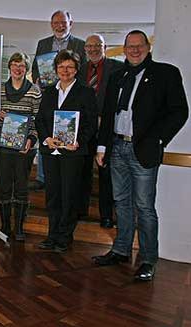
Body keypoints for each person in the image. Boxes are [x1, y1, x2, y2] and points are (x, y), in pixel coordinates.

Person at [92, 30, 188, 281]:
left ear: (148, 47)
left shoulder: (165, 74)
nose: (134, 50)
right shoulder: (116, 77)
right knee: (121, 203)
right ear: (123, 49)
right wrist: (102, 147)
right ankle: (121, 250)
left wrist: (158, 139)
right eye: (130, 46)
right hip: (116, 148)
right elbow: (107, 115)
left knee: (144, 207)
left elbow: (179, 111)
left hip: (143, 150)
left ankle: (147, 259)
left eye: (139, 46)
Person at [35, 50, 97, 253]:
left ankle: (64, 236)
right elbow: (40, 120)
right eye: (61, 67)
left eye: (69, 66)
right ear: (55, 69)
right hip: (51, 152)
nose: (65, 70)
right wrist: (46, 138)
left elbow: (90, 125)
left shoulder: (86, 92)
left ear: (77, 69)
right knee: (53, 195)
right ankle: (52, 236)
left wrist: (78, 141)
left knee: (69, 195)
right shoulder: (49, 92)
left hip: (73, 152)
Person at [30, 10, 87, 191]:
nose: (60, 25)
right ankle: (41, 176)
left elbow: (82, 71)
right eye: (56, 22)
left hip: (70, 96)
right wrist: (38, 80)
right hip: (49, 95)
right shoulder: (43, 43)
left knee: (66, 130)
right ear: (51, 24)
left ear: (71, 23)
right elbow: (36, 68)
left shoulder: (80, 44)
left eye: (63, 22)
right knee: (45, 131)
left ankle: (63, 174)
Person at [77, 34, 124, 227]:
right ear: (85, 49)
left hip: (107, 127)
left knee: (106, 173)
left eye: (98, 45)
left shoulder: (118, 67)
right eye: (90, 46)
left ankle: (106, 215)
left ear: (105, 47)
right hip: (84, 127)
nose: (93, 49)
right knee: (82, 171)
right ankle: (80, 210)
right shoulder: (79, 70)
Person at [0, 52, 41, 242]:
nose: (18, 68)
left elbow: (38, 120)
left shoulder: (34, 91)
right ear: (9, 67)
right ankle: (5, 225)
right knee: (4, 187)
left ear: (27, 69)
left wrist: (31, 139)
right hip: (4, 147)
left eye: (22, 65)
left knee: (22, 187)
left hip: (26, 147)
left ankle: (19, 227)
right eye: (15, 64)